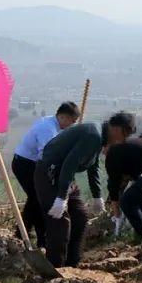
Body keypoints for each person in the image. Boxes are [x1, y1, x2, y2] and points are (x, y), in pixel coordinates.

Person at [35, 113, 115, 267]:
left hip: (64, 178)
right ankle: (55, 268)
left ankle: (72, 263)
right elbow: (69, 164)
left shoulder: (99, 138)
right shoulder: (94, 135)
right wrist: (61, 197)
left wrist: (97, 196)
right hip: (49, 174)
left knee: (79, 216)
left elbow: (93, 167)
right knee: (59, 223)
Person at [11, 102, 82, 249]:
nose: (72, 125)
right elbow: (47, 154)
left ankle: (23, 234)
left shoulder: (59, 127)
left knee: (35, 198)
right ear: (62, 117)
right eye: (72, 121)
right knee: (37, 198)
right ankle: (36, 237)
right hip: (25, 164)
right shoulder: (47, 129)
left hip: (36, 164)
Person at [104, 115, 142, 242]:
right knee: (139, 197)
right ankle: (141, 237)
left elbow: (114, 188)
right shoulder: (126, 149)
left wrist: (117, 214)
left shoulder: (113, 154)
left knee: (127, 201)